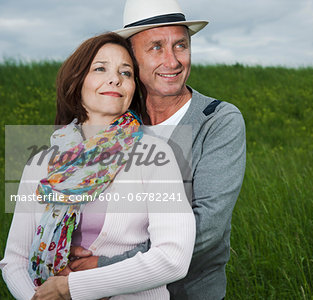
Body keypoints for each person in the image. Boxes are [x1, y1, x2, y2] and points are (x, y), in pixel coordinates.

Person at [66, 0, 247, 299]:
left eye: (180, 46)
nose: (172, 61)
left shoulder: (217, 121)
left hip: (186, 293)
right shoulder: (111, 117)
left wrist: (104, 266)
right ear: (132, 57)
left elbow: (207, 231)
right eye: (155, 48)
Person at [0, 32, 195, 299]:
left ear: (132, 89)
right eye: (100, 68)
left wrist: (74, 288)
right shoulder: (40, 163)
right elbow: (16, 260)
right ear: (77, 81)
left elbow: (174, 257)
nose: (115, 78)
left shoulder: (155, 155)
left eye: (126, 73)